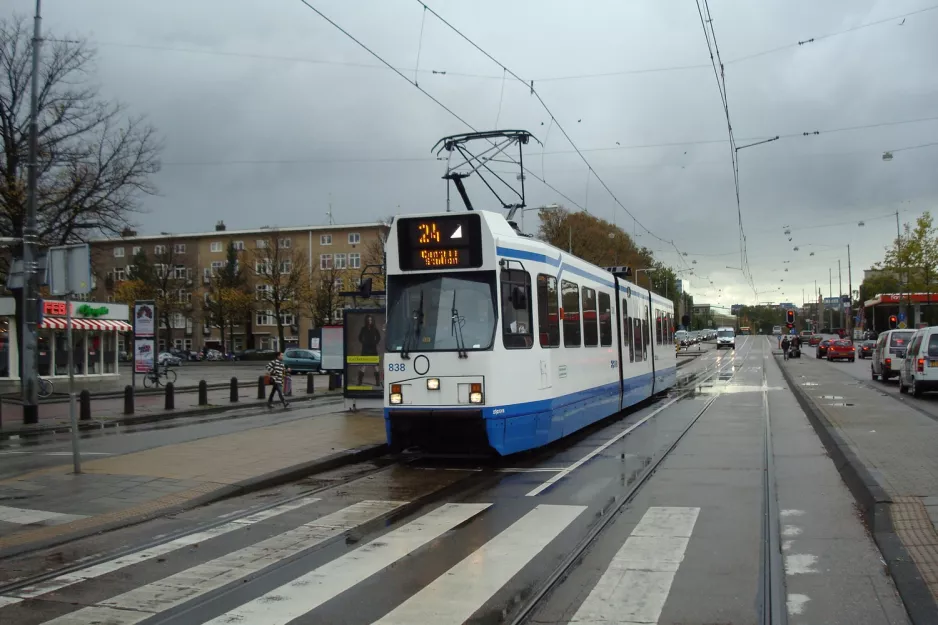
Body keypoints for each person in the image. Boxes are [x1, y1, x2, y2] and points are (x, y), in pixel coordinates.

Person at [358, 314, 381, 388]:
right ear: (366, 320)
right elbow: (359, 337)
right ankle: (360, 382)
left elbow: (378, 337)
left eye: (371, 320)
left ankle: (377, 382)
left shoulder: (375, 329)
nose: (369, 321)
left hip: (373, 349)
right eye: (368, 320)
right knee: (363, 365)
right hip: (365, 349)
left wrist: (375, 342)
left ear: (372, 321)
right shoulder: (363, 328)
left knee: (375, 366)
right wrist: (363, 342)